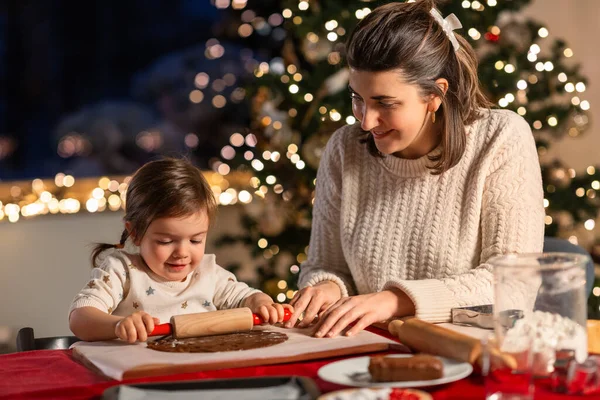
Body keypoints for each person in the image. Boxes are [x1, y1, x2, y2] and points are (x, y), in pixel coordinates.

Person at [284, 0, 544, 338]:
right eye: (357, 98)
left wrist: (395, 300)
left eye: (385, 104)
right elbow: (326, 266)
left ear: (435, 95)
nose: (365, 121)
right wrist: (326, 287)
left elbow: (514, 284)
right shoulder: (343, 149)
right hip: (367, 350)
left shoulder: (501, 138)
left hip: (467, 353)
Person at [69, 157, 290, 343]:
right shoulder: (122, 271)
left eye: (195, 240)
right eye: (166, 241)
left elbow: (246, 297)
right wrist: (118, 325)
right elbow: (80, 318)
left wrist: (260, 302)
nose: (182, 253)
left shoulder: (208, 273)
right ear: (135, 232)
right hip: (144, 376)